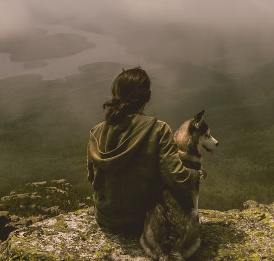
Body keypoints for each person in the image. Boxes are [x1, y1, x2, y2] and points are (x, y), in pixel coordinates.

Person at [86, 67, 203, 233]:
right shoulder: (158, 129)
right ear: (147, 97)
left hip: (105, 219)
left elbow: (92, 177)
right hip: (144, 221)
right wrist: (197, 175)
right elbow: (177, 178)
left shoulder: (96, 132)